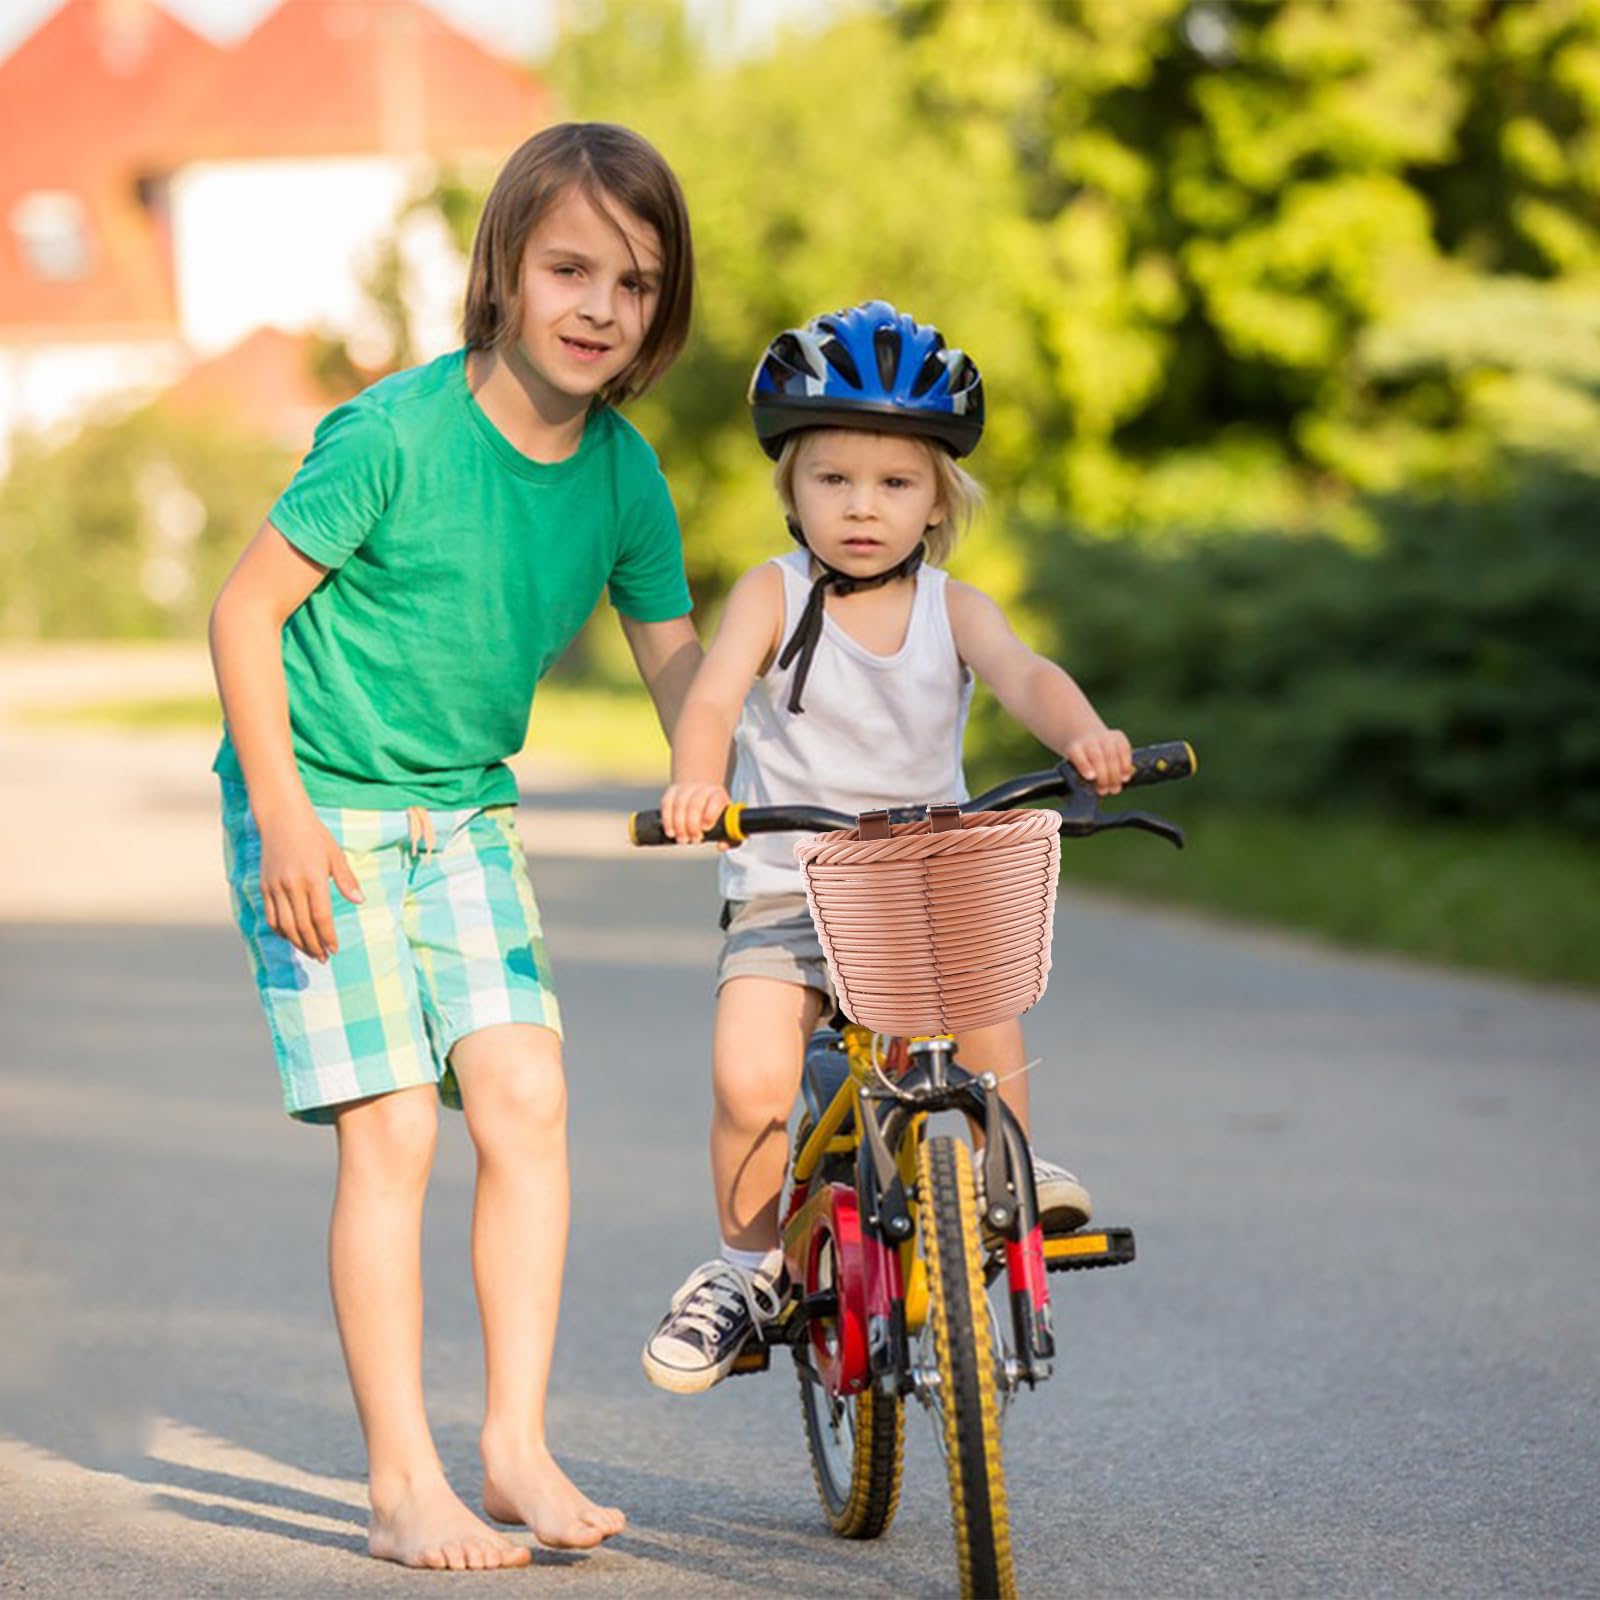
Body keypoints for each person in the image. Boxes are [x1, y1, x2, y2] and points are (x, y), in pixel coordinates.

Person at [209, 123, 701, 1570]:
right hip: (319, 804)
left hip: (465, 813)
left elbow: (682, 670)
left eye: (635, 282)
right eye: (570, 269)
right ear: (503, 271)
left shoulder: (624, 477)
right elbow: (243, 614)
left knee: (527, 1096)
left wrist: (726, 773)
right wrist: (281, 814)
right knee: (396, 1131)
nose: (599, 307)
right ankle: (399, 1482)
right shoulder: (393, 436)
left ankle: (513, 1447)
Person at [640, 300, 1134, 1396]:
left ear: (938, 500)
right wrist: (698, 779)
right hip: (789, 882)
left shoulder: (955, 609)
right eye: (834, 479)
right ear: (792, 488)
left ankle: (1005, 1174)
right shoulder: (771, 593)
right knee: (749, 1078)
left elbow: (1027, 675)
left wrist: (1084, 735)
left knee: (987, 994)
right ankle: (744, 1271)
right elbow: (713, 695)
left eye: (896, 483)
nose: (863, 505)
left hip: (919, 886)